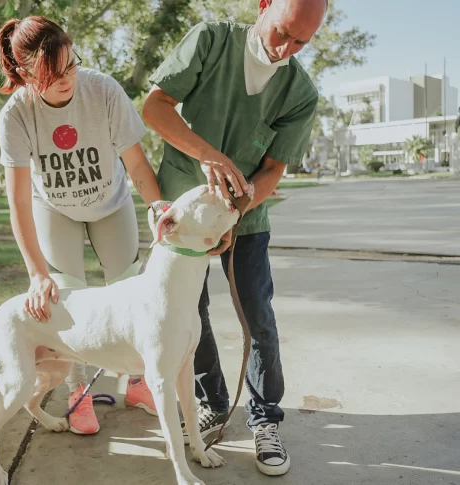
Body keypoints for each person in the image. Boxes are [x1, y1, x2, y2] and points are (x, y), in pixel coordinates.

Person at [143, 0, 326, 476]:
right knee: (189, 313)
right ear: (265, 5)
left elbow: (272, 170)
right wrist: (206, 154)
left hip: (244, 218)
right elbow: (154, 108)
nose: (286, 48)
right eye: (283, 32)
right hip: (183, 214)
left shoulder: (301, 91)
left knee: (258, 318)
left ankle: (265, 419)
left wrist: (234, 213)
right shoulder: (210, 41)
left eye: (301, 42)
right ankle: (212, 402)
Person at [0, 16, 163, 435]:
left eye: (70, 65)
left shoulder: (103, 90)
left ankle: (140, 383)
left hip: (111, 204)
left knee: (131, 292)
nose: (66, 78)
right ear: (24, 72)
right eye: (53, 73)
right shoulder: (15, 115)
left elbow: (138, 165)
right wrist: (36, 274)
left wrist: (161, 211)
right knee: (66, 304)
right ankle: (77, 392)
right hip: (56, 210)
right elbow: (17, 200)